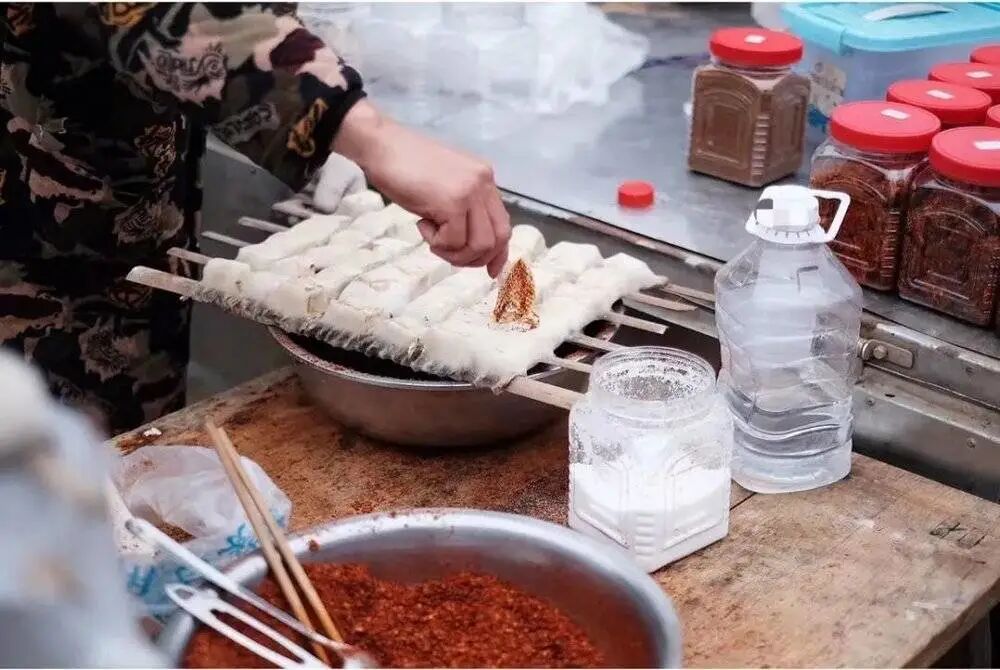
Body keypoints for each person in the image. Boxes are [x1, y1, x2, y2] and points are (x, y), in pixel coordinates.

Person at [0, 3, 511, 434]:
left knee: (120, 467)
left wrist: (306, 136)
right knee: (38, 478)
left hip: (123, 221)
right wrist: (353, 125)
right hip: (28, 244)